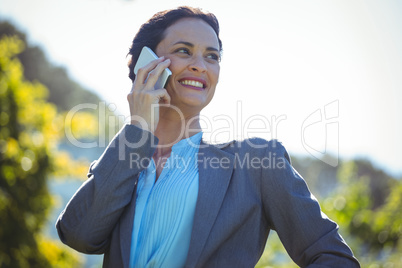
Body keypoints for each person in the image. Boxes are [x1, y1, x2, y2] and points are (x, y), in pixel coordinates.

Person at [56, 6, 360, 268]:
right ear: (146, 64)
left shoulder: (256, 163)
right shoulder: (123, 163)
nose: (200, 66)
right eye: (183, 51)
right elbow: (78, 234)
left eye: (211, 56)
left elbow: (334, 257)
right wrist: (138, 128)